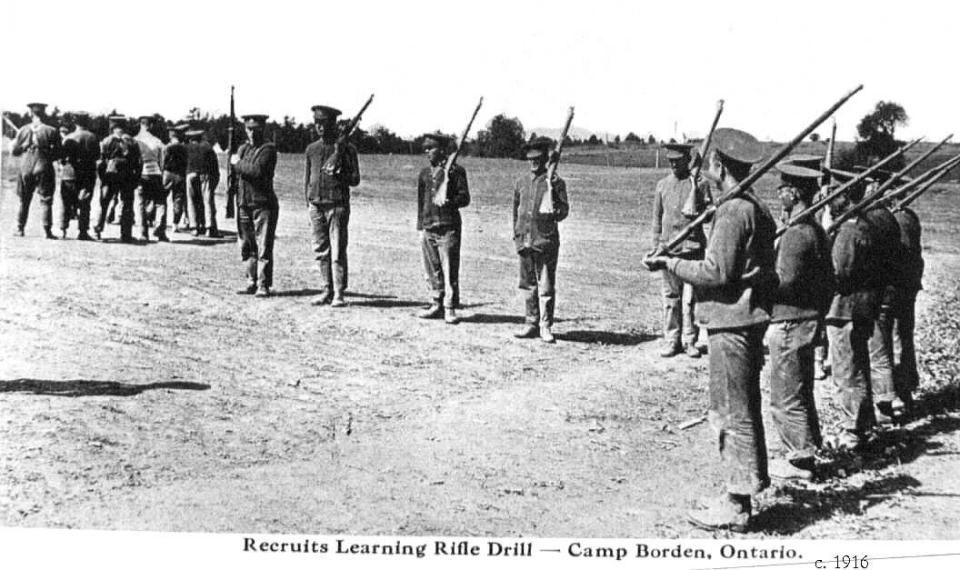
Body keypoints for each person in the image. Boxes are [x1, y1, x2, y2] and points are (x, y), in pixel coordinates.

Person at [644, 128, 776, 532]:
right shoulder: (753, 206)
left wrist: (670, 264)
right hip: (742, 321)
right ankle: (739, 493)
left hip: (732, 324)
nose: (702, 170)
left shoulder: (735, 212)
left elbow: (716, 271)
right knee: (741, 408)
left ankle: (737, 506)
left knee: (732, 413)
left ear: (719, 165)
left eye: (707, 163)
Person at [767, 156, 833, 481]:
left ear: (793, 193)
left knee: (785, 395)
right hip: (807, 319)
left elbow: (784, 281)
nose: (779, 194)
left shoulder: (796, 234)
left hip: (790, 321)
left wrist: (757, 281)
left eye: (782, 189)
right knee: (802, 389)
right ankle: (809, 446)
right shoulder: (816, 230)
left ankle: (800, 460)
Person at [823, 179, 881, 451]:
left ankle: (852, 430)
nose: (828, 197)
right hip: (861, 308)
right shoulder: (864, 225)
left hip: (844, 309)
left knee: (846, 371)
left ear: (845, 195)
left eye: (833, 193)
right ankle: (863, 423)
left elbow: (839, 273)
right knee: (858, 367)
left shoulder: (848, 231)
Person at [649, 142, 707, 358]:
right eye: (670, 161)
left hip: (692, 250)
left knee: (691, 300)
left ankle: (690, 340)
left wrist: (699, 198)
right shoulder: (662, 185)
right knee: (671, 298)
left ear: (687, 159)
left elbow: (709, 212)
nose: (673, 164)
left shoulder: (699, 184)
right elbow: (657, 219)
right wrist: (656, 246)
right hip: (668, 250)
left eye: (677, 160)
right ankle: (672, 340)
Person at [512, 136, 570, 343]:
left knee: (545, 287)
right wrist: (516, 235)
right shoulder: (521, 182)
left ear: (545, 158)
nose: (533, 162)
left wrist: (555, 207)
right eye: (530, 159)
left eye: (538, 158)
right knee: (528, 285)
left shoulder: (555, 182)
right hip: (524, 240)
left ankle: (545, 326)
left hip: (544, 241)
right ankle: (531, 322)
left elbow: (563, 211)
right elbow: (515, 211)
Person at [304, 105, 360, 307]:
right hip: (316, 205)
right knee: (320, 250)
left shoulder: (347, 149)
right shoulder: (312, 149)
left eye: (323, 123)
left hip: (336, 205)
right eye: (316, 123)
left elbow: (355, 179)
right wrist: (308, 200)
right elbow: (308, 177)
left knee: (337, 251)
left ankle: (338, 293)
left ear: (333, 124)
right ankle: (326, 289)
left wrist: (340, 172)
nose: (319, 127)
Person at [416, 133, 471, 324]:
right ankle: (436, 302)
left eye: (431, 148)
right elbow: (421, 201)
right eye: (426, 148)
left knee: (449, 268)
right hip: (429, 226)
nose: (427, 151)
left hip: (448, 226)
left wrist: (449, 201)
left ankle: (450, 307)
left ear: (441, 150)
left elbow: (465, 198)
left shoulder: (456, 171)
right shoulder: (424, 174)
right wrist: (421, 226)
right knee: (432, 268)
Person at [231, 114, 279, 298]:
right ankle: (251, 281)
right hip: (244, 202)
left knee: (263, 246)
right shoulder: (243, 148)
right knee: (247, 245)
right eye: (249, 129)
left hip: (262, 204)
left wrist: (237, 164)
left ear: (262, 129)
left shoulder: (268, 149)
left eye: (255, 129)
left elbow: (257, 171)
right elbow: (236, 174)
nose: (252, 133)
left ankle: (264, 284)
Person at [11, 102, 62, 238]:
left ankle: (20, 228)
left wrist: (24, 147)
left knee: (24, 198)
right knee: (46, 198)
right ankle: (47, 231)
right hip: (43, 163)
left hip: (26, 163)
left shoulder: (23, 130)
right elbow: (58, 153)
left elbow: (14, 151)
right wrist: (46, 156)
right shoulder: (51, 130)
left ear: (31, 113)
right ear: (44, 113)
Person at [891, 203, 923, 411]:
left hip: (900, 289)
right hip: (905, 287)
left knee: (897, 339)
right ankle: (905, 389)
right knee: (901, 337)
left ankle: (901, 393)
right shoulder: (906, 216)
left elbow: (901, 258)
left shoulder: (900, 219)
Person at [94, 115, 142, 242]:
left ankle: (97, 229)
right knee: (127, 204)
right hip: (127, 175)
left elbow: (101, 161)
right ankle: (126, 234)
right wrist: (136, 177)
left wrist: (102, 176)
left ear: (112, 126)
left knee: (104, 202)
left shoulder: (106, 141)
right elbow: (138, 161)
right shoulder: (132, 141)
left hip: (110, 174)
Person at [57, 112, 100, 240]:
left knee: (65, 202)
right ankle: (82, 232)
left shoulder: (68, 137)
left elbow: (62, 158)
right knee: (85, 203)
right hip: (87, 174)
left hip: (69, 174)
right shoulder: (93, 137)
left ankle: (63, 229)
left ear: (75, 122)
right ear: (87, 122)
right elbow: (97, 156)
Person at [135, 115, 168, 242]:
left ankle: (143, 233)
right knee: (160, 202)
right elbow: (162, 161)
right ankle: (160, 230)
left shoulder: (135, 140)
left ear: (141, 125)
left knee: (141, 203)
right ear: (151, 126)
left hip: (142, 173)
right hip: (156, 173)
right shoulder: (157, 141)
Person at [185, 129, 222, 237]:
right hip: (205, 174)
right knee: (207, 201)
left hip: (190, 174)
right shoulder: (207, 147)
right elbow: (214, 164)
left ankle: (194, 227)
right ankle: (209, 228)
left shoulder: (186, 148)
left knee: (191, 201)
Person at [163, 124, 189, 232]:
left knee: (162, 198)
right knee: (178, 199)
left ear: (171, 135)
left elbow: (163, 161)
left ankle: (160, 222)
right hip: (180, 175)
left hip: (168, 174)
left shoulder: (167, 147)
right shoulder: (184, 148)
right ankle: (175, 224)